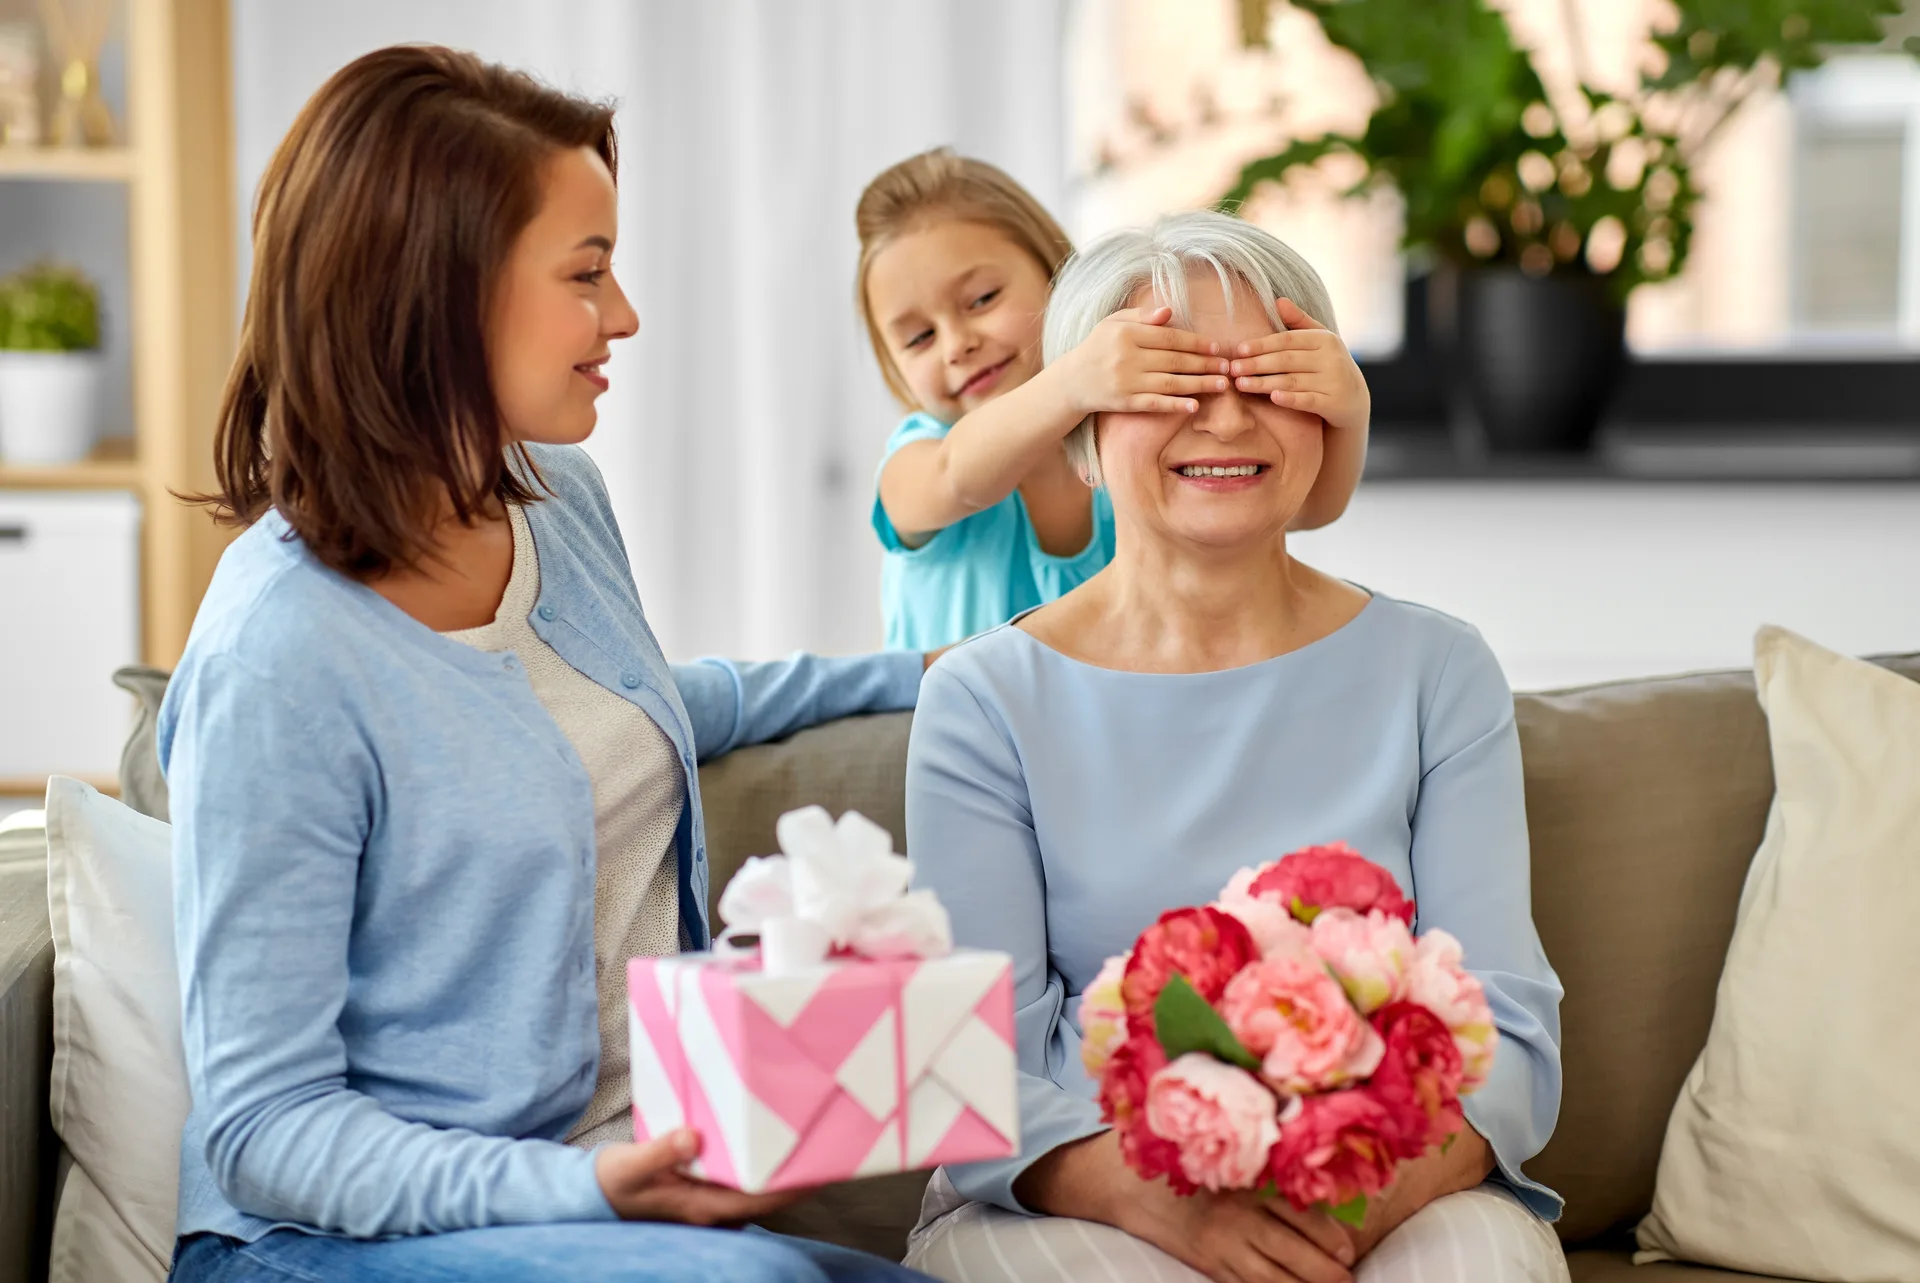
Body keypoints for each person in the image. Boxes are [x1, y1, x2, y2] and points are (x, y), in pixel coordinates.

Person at [161, 45, 934, 1283]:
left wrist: (932, 669)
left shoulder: (557, 499)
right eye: (587, 273)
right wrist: (580, 1183)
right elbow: (266, 1127)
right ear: (439, 291)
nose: (623, 314)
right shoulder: (278, 656)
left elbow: (630, 709)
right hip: (336, 1241)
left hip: (598, 1212)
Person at [900, 211, 1568, 1283]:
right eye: (1168, 380)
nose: (1224, 417)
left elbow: (1507, 1031)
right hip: (1078, 1192)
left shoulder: (1437, 669)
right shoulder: (985, 698)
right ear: (1080, 426)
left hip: (1387, 1184)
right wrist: (1178, 1211)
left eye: (1268, 377)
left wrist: (1350, 1202)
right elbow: (974, 1069)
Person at [856, 148, 1371, 651]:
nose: (956, 345)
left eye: (983, 300)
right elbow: (955, 477)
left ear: (1056, 274)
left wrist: (1351, 410)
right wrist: (1068, 383)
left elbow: (1304, 509)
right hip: (960, 729)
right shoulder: (919, 456)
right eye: (918, 338)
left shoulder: (1128, 437)